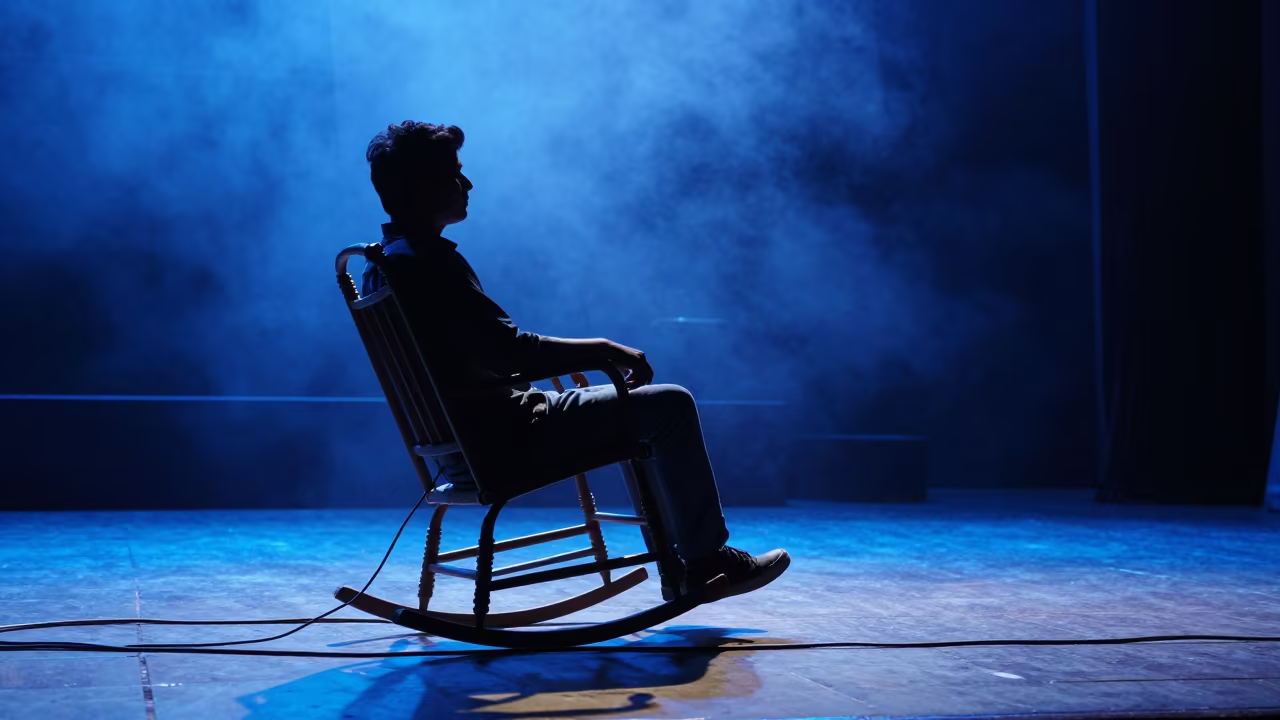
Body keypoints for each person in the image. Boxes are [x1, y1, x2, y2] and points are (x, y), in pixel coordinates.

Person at [359, 120, 788, 600]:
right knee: (670, 405)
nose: (468, 183)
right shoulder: (426, 265)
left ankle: (685, 563)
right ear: (420, 185)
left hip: (461, 445)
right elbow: (511, 353)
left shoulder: (385, 264)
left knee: (642, 408)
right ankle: (704, 561)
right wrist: (605, 348)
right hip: (502, 440)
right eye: (454, 173)